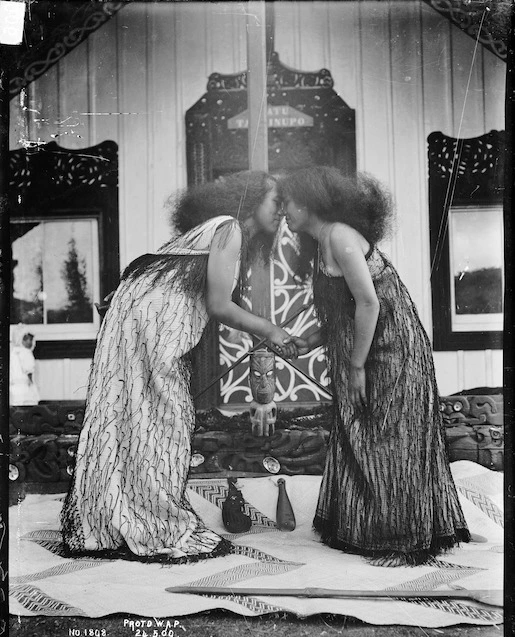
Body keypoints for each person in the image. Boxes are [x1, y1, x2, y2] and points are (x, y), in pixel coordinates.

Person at [61, 171, 296, 562]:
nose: (281, 214)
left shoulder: (226, 232)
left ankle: (128, 511)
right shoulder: (228, 227)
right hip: (150, 320)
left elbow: (218, 301)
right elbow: (220, 306)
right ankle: (151, 519)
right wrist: (271, 329)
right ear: (252, 198)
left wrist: (257, 328)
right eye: (276, 203)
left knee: (142, 415)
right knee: (162, 416)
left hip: (142, 315)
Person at [280, 166, 470, 566]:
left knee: (389, 439)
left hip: (391, 352)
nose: (284, 211)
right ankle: (370, 530)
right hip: (364, 350)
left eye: (288, 202)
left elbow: (370, 304)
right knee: (361, 435)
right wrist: (305, 342)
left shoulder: (341, 236)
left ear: (310, 201)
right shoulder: (322, 242)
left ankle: (403, 541)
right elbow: (340, 314)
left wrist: (356, 367)